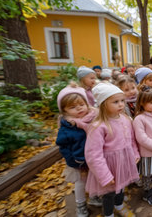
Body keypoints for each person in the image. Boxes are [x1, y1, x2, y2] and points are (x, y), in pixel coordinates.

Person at [85, 82, 140, 217]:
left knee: (121, 186)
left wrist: (135, 152)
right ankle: (109, 214)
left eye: (122, 100)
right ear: (104, 104)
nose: (121, 104)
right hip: (109, 166)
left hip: (124, 161)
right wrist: (104, 175)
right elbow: (93, 155)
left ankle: (119, 205)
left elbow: (131, 139)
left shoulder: (125, 118)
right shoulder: (99, 126)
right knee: (109, 193)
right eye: (115, 102)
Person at [56, 83, 98, 217]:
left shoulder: (94, 118)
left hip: (95, 158)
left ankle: (93, 197)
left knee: (95, 179)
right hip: (79, 161)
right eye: (72, 107)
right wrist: (73, 160)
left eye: (81, 104)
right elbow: (63, 147)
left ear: (87, 103)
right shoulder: (67, 127)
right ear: (65, 111)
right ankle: (80, 205)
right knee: (80, 183)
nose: (79, 108)